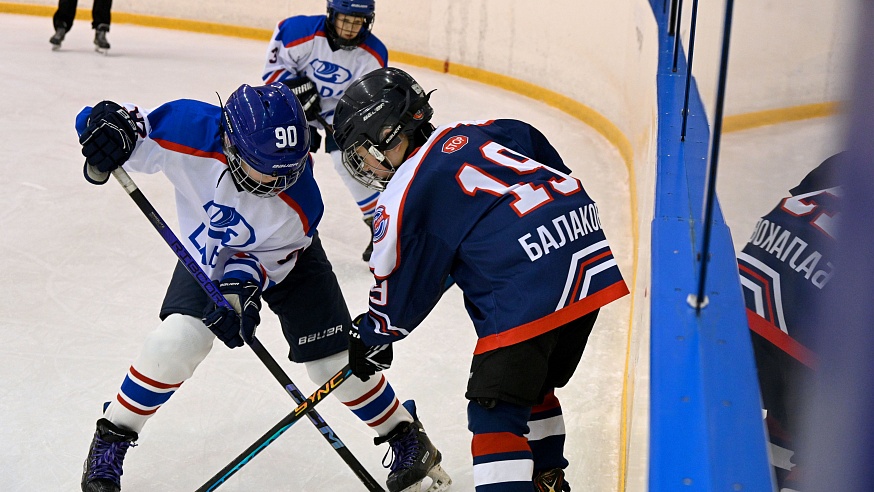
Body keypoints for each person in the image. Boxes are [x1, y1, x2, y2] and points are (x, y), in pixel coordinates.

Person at [74, 83, 449, 492]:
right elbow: (116, 123)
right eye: (265, 168)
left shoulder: (301, 203)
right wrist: (105, 131)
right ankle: (112, 436)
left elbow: (265, 262)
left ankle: (406, 434)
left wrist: (241, 290)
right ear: (230, 144)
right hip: (208, 255)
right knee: (176, 342)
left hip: (290, 259)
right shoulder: (188, 128)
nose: (279, 180)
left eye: (289, 168)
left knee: (334, 365)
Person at [332, 67, 630, 492]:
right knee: (532, 385)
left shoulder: (404, 194)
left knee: (494, 411)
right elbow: (544, 156)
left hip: (530, 282)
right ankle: (548, 480)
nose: (363, 163)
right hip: (587, 255)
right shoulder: (484, 131)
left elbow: (395, 293)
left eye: (363, 150)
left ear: (387, 134)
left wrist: (373, 334)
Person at [737, 152, 844, 492]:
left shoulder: (849, 158)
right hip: (810, 320)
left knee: (787, 418)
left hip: (757, 289)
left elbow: (800, 193)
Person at [262, 0, 387, 261]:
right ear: (331, 14)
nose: (351, 28)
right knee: (281, 156)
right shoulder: (296, 31)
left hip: (340, 113)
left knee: (350, 162)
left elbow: (367, 100)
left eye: (358, 21)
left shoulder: (373, 54)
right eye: (345, 19)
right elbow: (272, 73)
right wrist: (292, 91)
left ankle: (381, 227)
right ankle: (269, 220)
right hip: (293, 107)